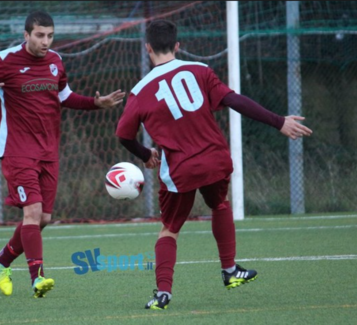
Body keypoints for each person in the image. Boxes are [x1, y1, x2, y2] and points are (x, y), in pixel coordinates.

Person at [115, 19, 313, 310]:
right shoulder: (201, 71)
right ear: (178, 46)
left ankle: (163, 294)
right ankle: (230, 270)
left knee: (169, 229)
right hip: (216, 160)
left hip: (181, 170)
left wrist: (146, 155)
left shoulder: (140, 91)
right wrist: (278, 121)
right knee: (219, 205)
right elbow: (234, 100)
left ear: (148, 48)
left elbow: (123, 135)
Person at [0, 10, 125, 298]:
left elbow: (65, 97)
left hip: (48, 151)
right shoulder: (5, 60)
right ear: (26, 35)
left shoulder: (56, 61)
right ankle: (37, 277)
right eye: (39, 35)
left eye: (50, 36)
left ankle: (2, 260)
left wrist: (98, 103)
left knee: (43, 218)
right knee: (32, 212)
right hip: (17, 150)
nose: (45, 41)